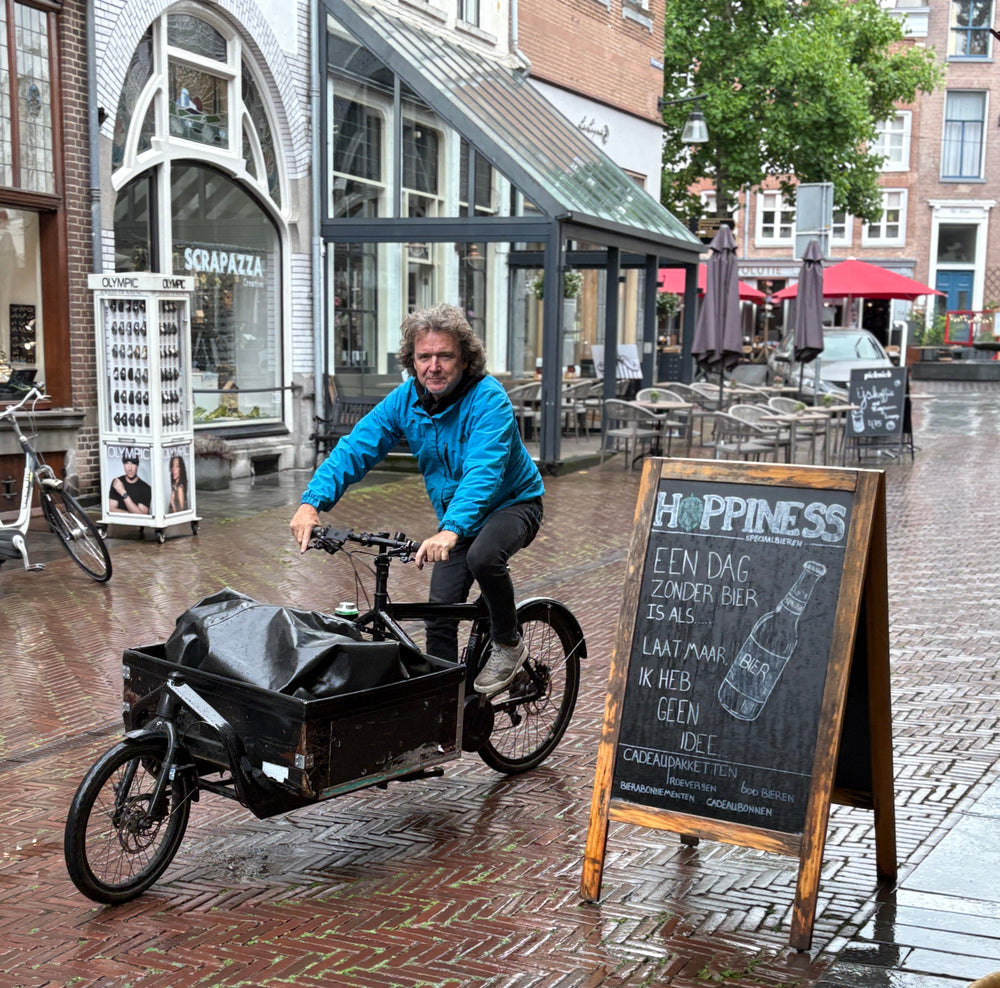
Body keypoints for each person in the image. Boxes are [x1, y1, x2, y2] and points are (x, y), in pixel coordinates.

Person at [289, 303, 544, 695]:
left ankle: (508, 644)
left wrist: (451, 530)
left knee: (483, 556)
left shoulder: (488, 399)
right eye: (425, 356)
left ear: (464, 360)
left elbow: (483, 472)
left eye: (445, 355)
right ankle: (446, 705)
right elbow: (357, 447)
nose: (434, 366)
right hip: (456, 520)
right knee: (438, 615)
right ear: (412, 360)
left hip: (513, 503)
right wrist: (312, 502)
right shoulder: (405, 400)